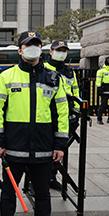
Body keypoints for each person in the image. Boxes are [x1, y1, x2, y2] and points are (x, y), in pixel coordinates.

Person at [0, 31, 69, 216]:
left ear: (42, 49)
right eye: (28, 45)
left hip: (44, 146)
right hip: (14, 146)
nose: (32, 49)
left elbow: (62, 112)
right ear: (20, 50)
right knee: (8, 193)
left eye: (36, 45)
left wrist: (60, 144)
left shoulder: (54, 78)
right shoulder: (6, 77)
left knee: (43, 193)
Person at [44, 40, 80, 190]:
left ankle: (53, 177)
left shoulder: (70, 71)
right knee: (45, 150)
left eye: (64, 50)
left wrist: (77, 113)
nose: (61, 53)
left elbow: (76, 91)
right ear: (51, 52)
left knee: (61, 149)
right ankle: (37, 182)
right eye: (58, 50)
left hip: (67, 116)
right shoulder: (43, 68)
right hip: (49, 116)